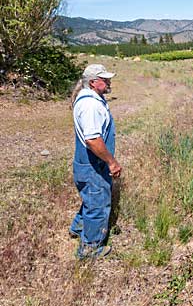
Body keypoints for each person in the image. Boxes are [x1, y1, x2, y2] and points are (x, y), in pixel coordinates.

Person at [69, 64, 121, 259]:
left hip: (87, 163)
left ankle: (79, 227)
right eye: (105, 79)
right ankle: (90, 249)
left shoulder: (89, 98)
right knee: (98, 203)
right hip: (93, 164)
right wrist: (112, 162)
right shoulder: (90, 105)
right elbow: (92, 140)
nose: (109, 82)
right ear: (93, 82)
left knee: (91, 198)